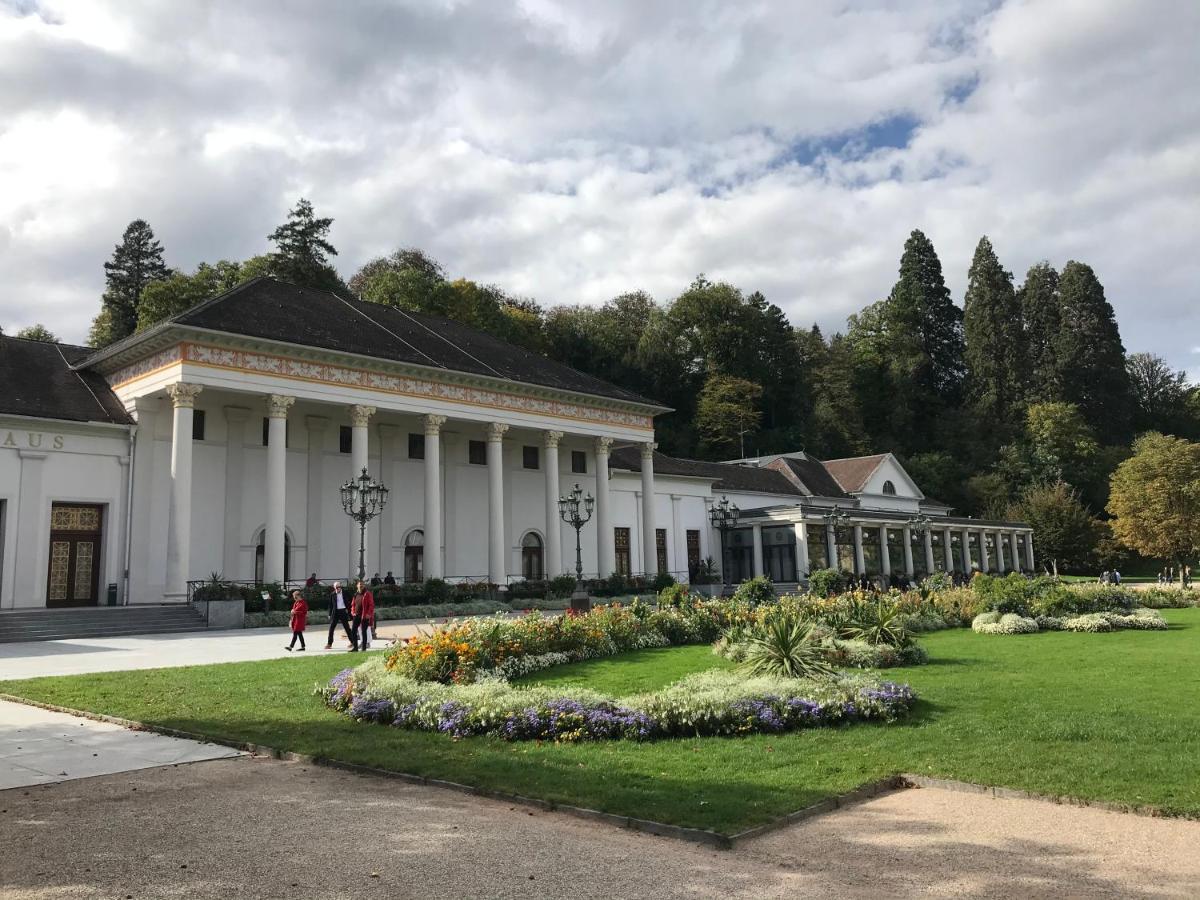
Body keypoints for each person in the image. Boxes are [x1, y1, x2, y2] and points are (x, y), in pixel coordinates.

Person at [325, 581, 357, 651]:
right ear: (334, 588)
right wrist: (329, 614)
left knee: (347, 628)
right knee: (331, 628)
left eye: (338, 587)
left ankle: (353, 642)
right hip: (335, 612)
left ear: (340, 587)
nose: (337, 589)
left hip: (343, 611)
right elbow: (330, 605)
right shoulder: (332, 594)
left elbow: (352, 600)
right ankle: (329, 643)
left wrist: (350, 608)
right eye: (336, 588)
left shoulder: (345, 593)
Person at [351, 580, 374, 652]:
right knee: (353, 631)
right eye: (359, 585)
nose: (360, 586)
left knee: (364, 632)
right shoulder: (356, 594)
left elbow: (371, 605)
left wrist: (368, 614)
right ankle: (355, 647)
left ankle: (364, 648)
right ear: (357, 586)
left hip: (364, 616)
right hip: (356, 615)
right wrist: (353, 612)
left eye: (362, 585)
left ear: (364, 586)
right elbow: (353, 604)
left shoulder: (367, 594)